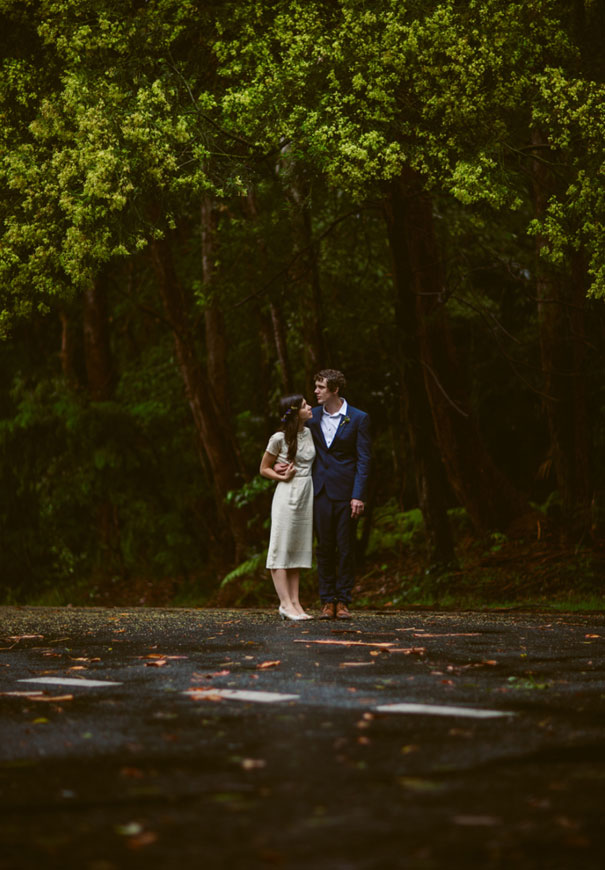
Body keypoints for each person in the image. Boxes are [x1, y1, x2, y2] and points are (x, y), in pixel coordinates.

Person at [308, 369, 371, 619]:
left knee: (345, 548)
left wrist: (358, 495)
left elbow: (364, 460)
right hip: (319, 490)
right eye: (316, 387)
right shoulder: (310, 416)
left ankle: (343, 600)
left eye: (321, 387)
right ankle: (326, 600)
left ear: (335, 390)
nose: (316, 391)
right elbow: (285, 424)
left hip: (346, 493)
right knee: (324, 547)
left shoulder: (358, 418)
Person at [260, 394, 315, 621]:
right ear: (294, 412)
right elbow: (264, 468)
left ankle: (296, 603)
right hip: (287, 493)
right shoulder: (278, 438)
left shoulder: (309, 433)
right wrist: (283, 477)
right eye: (304, 405)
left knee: (297, 549)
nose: (310, 406)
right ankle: (284, 604)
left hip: (305, 493)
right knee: (281, 547)